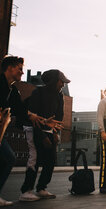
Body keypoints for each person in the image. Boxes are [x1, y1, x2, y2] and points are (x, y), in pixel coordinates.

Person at [0, 56, 45, 206]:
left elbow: (22, 111)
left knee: (9, 158)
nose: (21, 72)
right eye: (19, 68)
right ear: (10, 68)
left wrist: (42, 120)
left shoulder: (13, 91)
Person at [19, 69, 68, 200]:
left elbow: (59, 117)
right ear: (53, 81)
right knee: (34, 159)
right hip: (34, 129)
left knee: (51, 160)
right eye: (60, 81)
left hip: (50, 130)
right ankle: (26, 191)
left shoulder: (59, 95)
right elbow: (34, 117)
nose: (62, 84)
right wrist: (42, 136)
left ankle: (41, 188)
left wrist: (56, 134)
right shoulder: (38, 92)